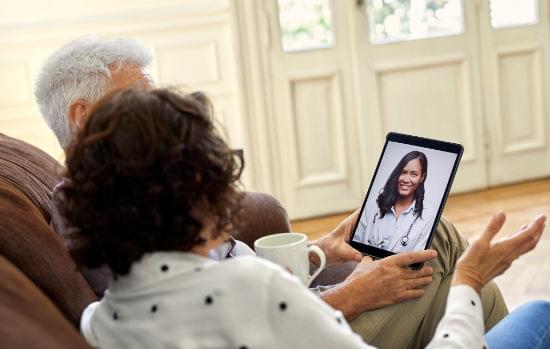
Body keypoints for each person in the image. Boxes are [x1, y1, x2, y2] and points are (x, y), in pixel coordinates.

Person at [35, 36, 508, 348]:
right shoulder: (248, 290)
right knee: (472, 280)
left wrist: (318, 251)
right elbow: (246, 309)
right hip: (298, 323)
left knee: (446, 260)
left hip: (284, 308)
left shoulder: (101, 320)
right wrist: (463, 280)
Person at [354, 151, 435, 253]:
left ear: (422, 178)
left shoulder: (429, 215)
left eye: (414, 174)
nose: (406, 179)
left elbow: (416, 259)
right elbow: (356, 244)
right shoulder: (373, 204)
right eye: (403, 172)